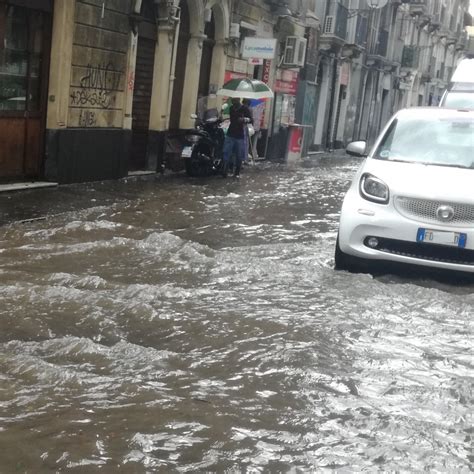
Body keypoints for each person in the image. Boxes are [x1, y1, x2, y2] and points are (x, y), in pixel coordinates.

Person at [222, 97, 253, 178]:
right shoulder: (231, 108)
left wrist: (244, 119)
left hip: (240, 135)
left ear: (238, 100)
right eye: (232, 100)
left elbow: (251, 119)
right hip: (230, 133)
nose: (233, 101)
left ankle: (237, 173)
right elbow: (232, 119)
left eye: (234, 100)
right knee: (226, 152)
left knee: (239, 155)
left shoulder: (244, 109)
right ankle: (224, 171)